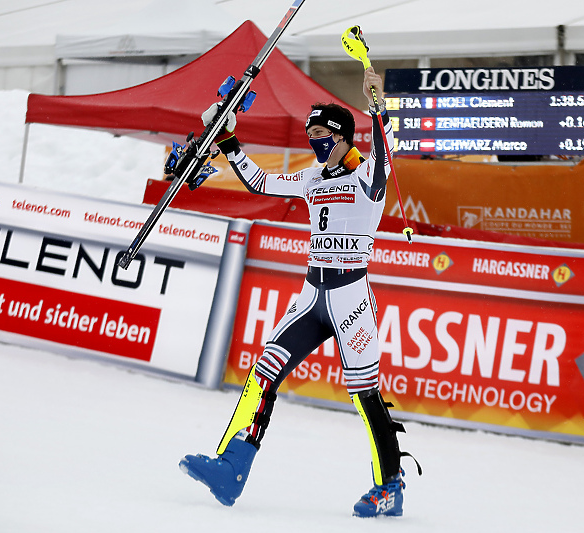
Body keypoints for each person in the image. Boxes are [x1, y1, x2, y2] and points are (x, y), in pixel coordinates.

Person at [179, 67, 419, 517]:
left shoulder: (369, 176)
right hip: (312, 295)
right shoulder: (311, 178)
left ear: (345, 136)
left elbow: (385, 151)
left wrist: (376, 106)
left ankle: (390, 486)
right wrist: (229, 140)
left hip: (351, 300)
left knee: (365, 394)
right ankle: (231, 467)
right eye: (311, 132)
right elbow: (260, 182)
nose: (315, 139)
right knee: (264, 371)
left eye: (323, 131)